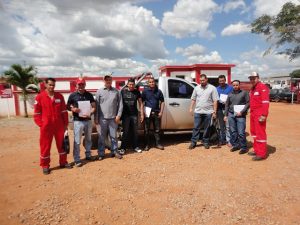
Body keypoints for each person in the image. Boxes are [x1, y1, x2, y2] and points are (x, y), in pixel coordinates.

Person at [33, 78, 72, 175]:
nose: (52, 87)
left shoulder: (59, 96)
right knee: (45, 146)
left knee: (62, 145)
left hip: (59, 125)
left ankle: (63, 162)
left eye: (53, 85)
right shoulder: (40, 97)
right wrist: (41, 124)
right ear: (45, 85)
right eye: (50, 85)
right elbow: (37, 113)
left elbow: (64, 112)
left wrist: (65, 124)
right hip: (46, 126)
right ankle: (45, 165)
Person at [67, 78, 96, 167]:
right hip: (78, 121)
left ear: (85, 85)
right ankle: (77, 159)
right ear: (76, 85)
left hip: (88, 120)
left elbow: (94, 107)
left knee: (88, 139)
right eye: (79, 84)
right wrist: (73, 109)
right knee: (77, 141)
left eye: (82, 84)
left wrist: (90, 112)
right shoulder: (72, 95)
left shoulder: (89, 95)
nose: (81, 86)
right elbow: (67, 106)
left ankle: (88, 155)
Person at [95, 74, 123, 160]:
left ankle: (114, 151)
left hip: (113, 118)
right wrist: (96, 118)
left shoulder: (116, 91)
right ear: (104, 81)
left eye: (109, 79)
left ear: (112, 80)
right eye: (106, 80)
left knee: (113, 136)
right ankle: (101, 153)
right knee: (101, 137)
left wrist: (118, 115)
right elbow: (96, 106)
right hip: (102, 119)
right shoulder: (99, 91)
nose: (108, 81)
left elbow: (121, 104)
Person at [189, 74, 219, 149]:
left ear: (206, 80)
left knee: (207, 128)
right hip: (198, 111)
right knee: (196, 127)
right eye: (200, 80)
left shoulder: (212, 88)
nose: (202, 82)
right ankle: (193, 142)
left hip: (208, 112)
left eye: (203, 80)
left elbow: (215, 100)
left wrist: (214, 112)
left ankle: (206, 142)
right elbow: (193, 99)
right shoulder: (196, 88)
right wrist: (191, 108)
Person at [248, 72, 270, 161]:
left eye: (254, 78)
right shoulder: (253, 89)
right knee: (254, 132)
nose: (252, 80)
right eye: (251, 78)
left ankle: (261, 154)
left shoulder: (262, 87)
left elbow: (265, 102)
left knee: (260, 133)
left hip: (259, 114)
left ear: (258, 78)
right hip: (253, 113)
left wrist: (264, 115)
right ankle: (257, 150)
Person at [224, 80, 249, 154]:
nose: (235, 86)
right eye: (234, 85)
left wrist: (242, 111)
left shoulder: (244, 93)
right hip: (231, 114)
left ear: (239, 85)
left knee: (241, 132)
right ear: (232, 86)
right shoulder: (230, 94)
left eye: (237, 85)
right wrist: (225, 115)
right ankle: (236, 145)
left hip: (241, 115)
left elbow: (248, 103)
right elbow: (227, 105)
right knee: (233, 131)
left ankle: (243, 147)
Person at [119, 78, 144, 155]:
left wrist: (142, 114)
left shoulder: (137, 92)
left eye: (133, 84)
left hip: (134, 115)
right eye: (130, 84)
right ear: (127, 84)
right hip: (125, 115)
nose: (131, 86)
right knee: (125, 132)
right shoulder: (122, 92)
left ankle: (136, 147)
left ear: (134, 84)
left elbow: (141, 103)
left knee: (135, 132)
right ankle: (123, 148)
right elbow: (118, 103)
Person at [142, 77, 165, 151]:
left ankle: (158, 144)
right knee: (146, 130)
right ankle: (146, 145)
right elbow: (142, 103)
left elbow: (162, 102)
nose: (152, 83)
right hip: (147, 113)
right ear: (148, 83)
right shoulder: (145, 91)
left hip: (156, 112)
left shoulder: (159, 91)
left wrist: (161, 112)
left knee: (157, 130)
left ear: (155, 83)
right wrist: (142, 113)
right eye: (150, 82)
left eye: (153, 82)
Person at [216, 75, 233, 146]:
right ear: (218, 81)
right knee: (221, 125)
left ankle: (228, 140)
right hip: (219, 109)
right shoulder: (216, 89)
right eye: (220, 81)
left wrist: (228, 101)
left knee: (228, 126)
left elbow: (233, 96)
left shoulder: (230, 88)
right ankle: (222, 140)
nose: (221, 82)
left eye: (223, 81)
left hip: (228, 109)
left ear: (225, 80)